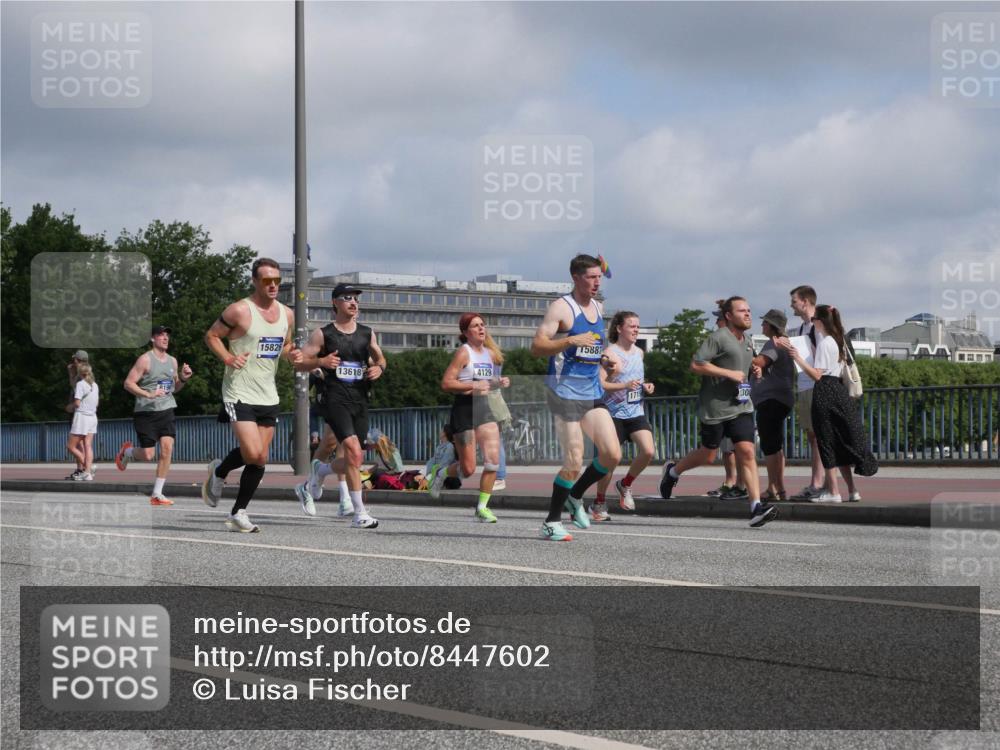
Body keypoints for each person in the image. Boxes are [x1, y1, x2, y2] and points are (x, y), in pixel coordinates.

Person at [202, 257, 302, 532]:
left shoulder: (287, 314)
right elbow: (211, 336)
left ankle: (237, 510)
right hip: (239, 392)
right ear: (255, 281)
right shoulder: (239, 311)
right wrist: (227, 358)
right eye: (267, 281)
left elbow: (284, 344)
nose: (273, 286)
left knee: (260, 458)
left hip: (268, 395)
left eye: (277, 281)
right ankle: (220, 473)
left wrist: (291, 353)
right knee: (253, 452)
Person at [659, 296, 777, 528]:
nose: (748, 314)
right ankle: (673, 472)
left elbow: (744, 366)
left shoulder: (748, 340)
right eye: (742, 311)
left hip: (741, 405)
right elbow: (696, 364)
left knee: (747, 452)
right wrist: (728, 374)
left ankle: (755, 507)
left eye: (749, 310)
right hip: (714, 408)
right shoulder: (717, 338)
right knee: (708, 454)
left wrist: (755, 370)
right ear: (729, 316)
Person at [531, 254, 621, 542]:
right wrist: (569, 340)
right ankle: (551, 521)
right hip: (564, 393)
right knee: (574, 459)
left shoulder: (598, 306)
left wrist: (604, 361)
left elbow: (593, 348)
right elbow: (537, 347)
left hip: (591, 390)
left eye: (598, 277)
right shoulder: (561, 307)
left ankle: (576, 495)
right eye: (591, 277)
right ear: (576, 277)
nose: (597, 282)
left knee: (612, 454)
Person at [295, 282, 385, 528]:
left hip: (360, 398)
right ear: (335, 302)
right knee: (354, 452)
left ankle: (321, 472)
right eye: (347, 298)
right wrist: (321, 361)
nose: (353, 302)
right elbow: (300, 362)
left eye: (356, 298)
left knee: (355, 458)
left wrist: (380, 368)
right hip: (335, 398)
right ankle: (359, 513)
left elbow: (379, 358)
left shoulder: (367, 333)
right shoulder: (323, 334)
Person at [778, 305, 877, 500]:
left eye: (814, 319)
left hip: (825, 391)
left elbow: (817, 374)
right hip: (839, 391)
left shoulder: (825, 343)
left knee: (827, 442)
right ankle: (852, 490)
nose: (812, 322)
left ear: (820, 322)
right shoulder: (838, 340)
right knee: (839, 441)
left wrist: (797, 357)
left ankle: (833, 492)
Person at [428, 313, 509, 523]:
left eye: (483, 324)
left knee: (493, 461)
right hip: (464, 410)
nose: (481, 328)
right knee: (468, 469)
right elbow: (446, 383)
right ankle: (441, 472)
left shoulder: (490, 354)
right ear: (465, 332)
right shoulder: (463, 353)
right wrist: (473, 385)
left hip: (484, 409)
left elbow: (486, 382)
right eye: (475, 326)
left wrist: (497, 382)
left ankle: (482, 507)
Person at [115, 325, 194, 506]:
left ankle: (157, 494)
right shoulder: (145, 360)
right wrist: (148, 394)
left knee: (167, 449)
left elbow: (175, 388)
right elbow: (128, 383)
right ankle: (127, 452)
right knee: (148, 455)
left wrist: (182, 378)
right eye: (161, 335)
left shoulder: (173, 362)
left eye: (167, 335)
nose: (165, 338)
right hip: (146, 412)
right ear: (152, 339)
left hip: (166, 409)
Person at [591, 310, 655, 521]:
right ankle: (599, 503)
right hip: (613, 415)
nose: (636, 330)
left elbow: (636, 380)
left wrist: (645, 386)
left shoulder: (639, 353)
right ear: (619, 328)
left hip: (635, 411)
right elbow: (600, 384)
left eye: (638, 326)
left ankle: (625, 484)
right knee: (610, 460)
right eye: (631, 326)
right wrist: (624, 385)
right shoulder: (610, 354)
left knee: (648, 451)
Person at [751, 309, 795, 501]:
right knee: (776, 446)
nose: (762, 326)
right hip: (782, 398)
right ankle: (778, 488)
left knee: (769, 445)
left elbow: (759, 362)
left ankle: (773, 488)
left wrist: (743, 355)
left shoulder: (774, 344)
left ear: (771, 325)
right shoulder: (786, 343)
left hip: (771, 400)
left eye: (764, 323)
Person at [788, 285, 826, 500]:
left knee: (819, 436)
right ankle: (818, 482)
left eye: (794, 300)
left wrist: (799, 355)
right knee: (813, 436)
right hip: (804, 384)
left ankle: (819, 483)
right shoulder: (803, 328)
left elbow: (824, 357)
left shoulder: (816, 326)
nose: (791, 305)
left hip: (815, 384)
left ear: (805, 301)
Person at [706, 306, 745, 500]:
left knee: (736, 447)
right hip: (726, 400)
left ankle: (738, 484)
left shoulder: (737, 340)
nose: (716, 322)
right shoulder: (721, 340)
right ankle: (732, 482)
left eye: (719, 318)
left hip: (734, 401)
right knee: (727, 448)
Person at [66, 362, 99, 481]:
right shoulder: (95, 385)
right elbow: (97, 403)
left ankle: (88, 468)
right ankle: (88, 473)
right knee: (88, 445)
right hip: (93, 417)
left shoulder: (80, 384)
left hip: (82, 418)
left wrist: (69, 407)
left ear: (80, 373)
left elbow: (77, 403)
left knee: (71, 446)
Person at [65, 350, 91, 479]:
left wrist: (72, 406)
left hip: (79, 412)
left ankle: (85, 468)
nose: (73, 361)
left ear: (78, 360)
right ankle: (81, 469)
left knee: (77, 443)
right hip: (85, 412)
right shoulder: (85, 373)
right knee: (83, 443)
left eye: (75, 359)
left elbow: (77, 389)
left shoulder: (82, 374)